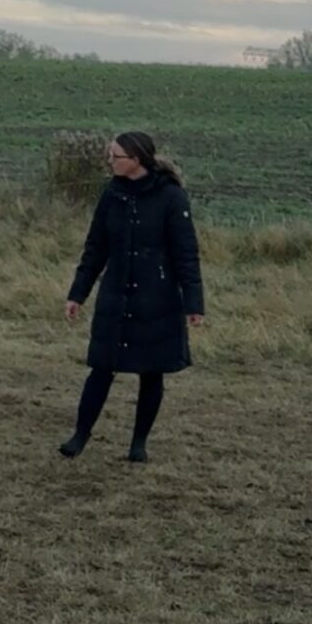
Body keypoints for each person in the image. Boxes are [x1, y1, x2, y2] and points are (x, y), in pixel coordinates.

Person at [60, 130, 205, 463]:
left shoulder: (171, 197)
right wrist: (77, 294)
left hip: (158, 299)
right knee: (101, 367)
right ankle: (79, 436)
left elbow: (186, 253)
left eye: (116, 156)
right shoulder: (111, 195)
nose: (110, 161)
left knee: (151, 372)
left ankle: (138, 444)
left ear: (136, 159)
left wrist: (194, 303)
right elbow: (95, 249)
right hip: (115, 296)